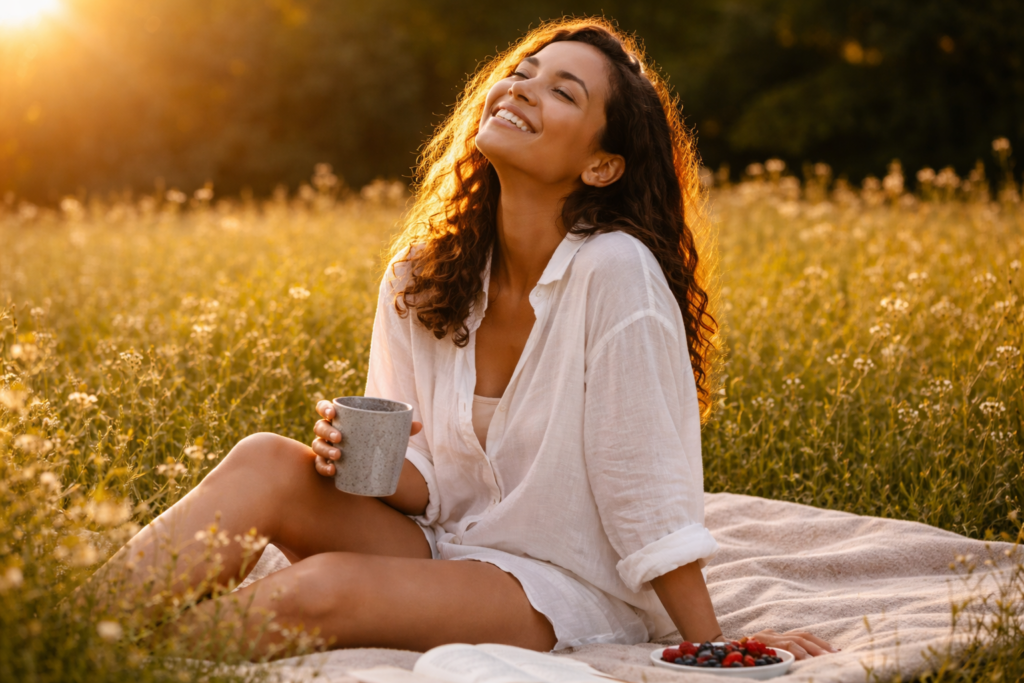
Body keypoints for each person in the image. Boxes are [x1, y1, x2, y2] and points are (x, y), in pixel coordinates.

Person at [95, 18, 834, 660]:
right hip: (445, 543)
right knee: (265, 460)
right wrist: (362, 462)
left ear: (602, 164)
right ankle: (66, 630)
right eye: (522, 72)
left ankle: (98, 662)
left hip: (560, 583)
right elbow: (427, 480)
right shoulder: (422, 272)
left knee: (325, 589)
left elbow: (645, 490)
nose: (521, 87)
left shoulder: (615, 272)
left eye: (562, 92)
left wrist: (717, 643)